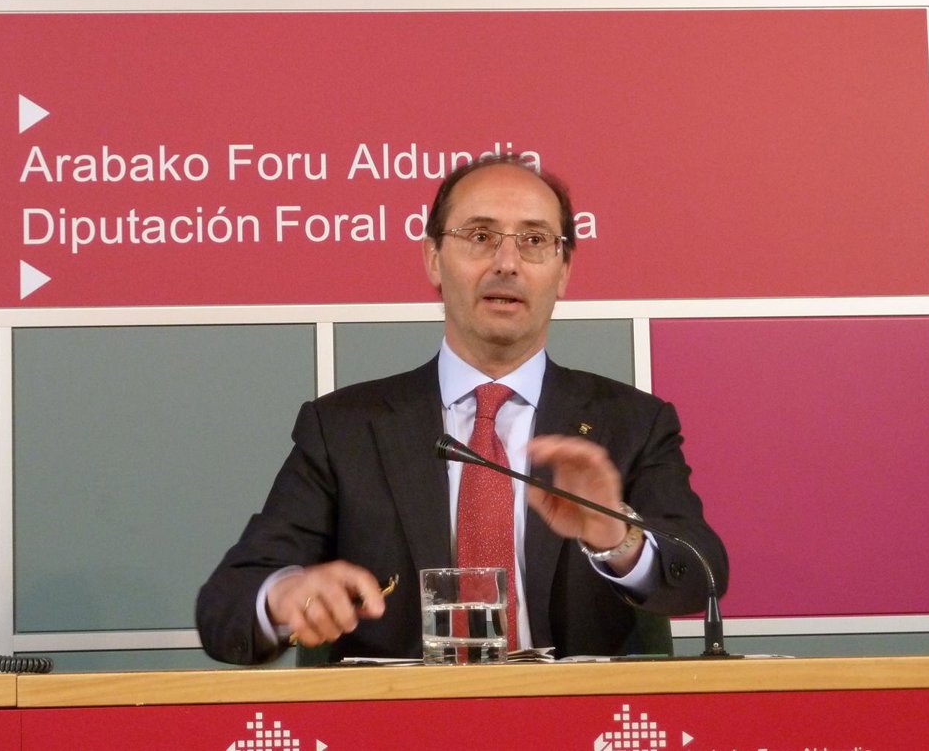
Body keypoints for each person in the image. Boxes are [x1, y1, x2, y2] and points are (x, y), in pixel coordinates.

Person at [196, 157, 727, 664]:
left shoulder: (631, 423)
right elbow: (227, 605)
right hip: (401, 717)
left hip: (580, 715)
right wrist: (284, 595)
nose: (506, 263)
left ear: (564, 271)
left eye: (534, 241)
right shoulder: (346, 429)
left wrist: (619, 540)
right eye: (480, 236)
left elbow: (701, 572)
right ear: (433, 258)